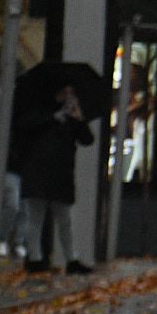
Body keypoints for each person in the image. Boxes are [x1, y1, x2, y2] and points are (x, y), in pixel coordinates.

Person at [15, 84, 95, 275]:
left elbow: (87, 139)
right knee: (36, 217)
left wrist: (79, 119)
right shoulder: (41, 110)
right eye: (64, 91)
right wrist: (52, 118)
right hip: (39, 171)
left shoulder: (72, 118)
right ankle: (35, 258)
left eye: (70, 92)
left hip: (61, 174)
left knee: (64, 219)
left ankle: (71, 259)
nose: (68, 95)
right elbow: (26, 126)